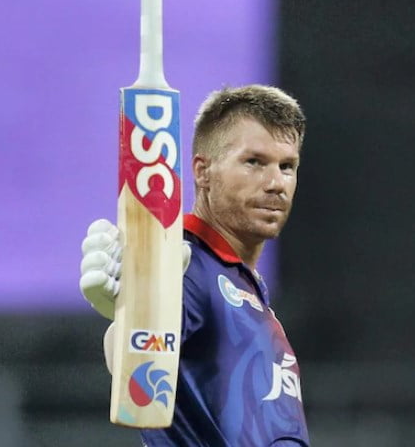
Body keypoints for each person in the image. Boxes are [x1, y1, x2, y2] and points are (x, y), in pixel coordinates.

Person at [80, 85, 309, 446]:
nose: (275, 183)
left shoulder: (245, 285)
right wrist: (134, 314)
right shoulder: (188, 265)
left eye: (287, 166)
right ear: (203, 172)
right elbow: (135, 365)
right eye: (254, 162)